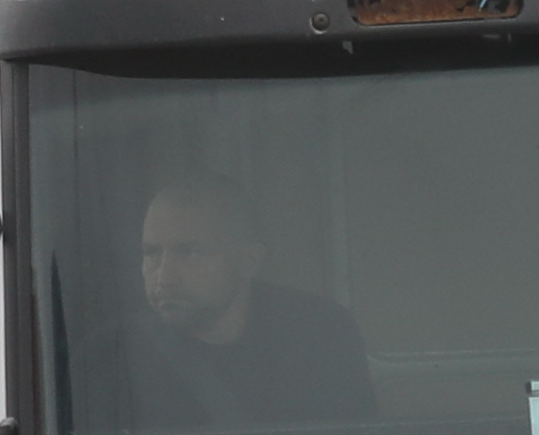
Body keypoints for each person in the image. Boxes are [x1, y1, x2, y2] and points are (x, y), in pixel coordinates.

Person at [105, 179, 374, 422]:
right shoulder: (112, 353)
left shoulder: (320, 332)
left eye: (189, 253)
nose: (164, 277)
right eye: (151, 254)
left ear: (249, 262)